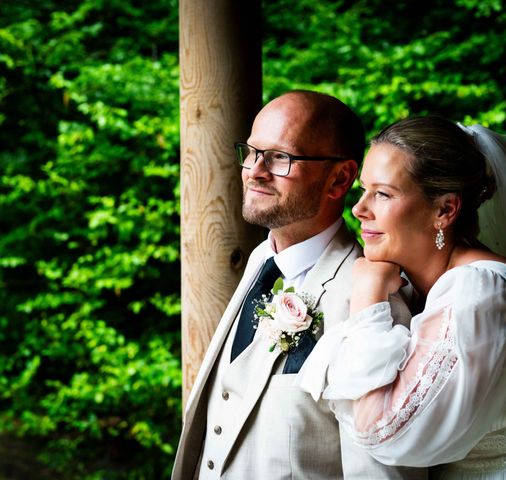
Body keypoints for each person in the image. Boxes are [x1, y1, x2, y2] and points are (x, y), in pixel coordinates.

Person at [297, 116, 506, 479]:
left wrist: (368, 296)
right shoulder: (434, 284)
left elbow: (384, 433)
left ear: (445, 210)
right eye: (364, 190)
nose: (359, 209)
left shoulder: (479, 291)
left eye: (383, 194)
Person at [171, 91, 427, 479]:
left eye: (279, 157)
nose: (255, 170)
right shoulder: (261, 261)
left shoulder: (375, 304)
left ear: (339, 178)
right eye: (252, 151)